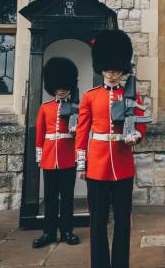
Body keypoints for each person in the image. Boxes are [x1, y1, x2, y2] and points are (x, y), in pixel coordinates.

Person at [75, 29, 147, 268]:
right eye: (108, 70)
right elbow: (83, 132)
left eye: (116, 70)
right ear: (101, 69)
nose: (112, 74)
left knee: (123, 222)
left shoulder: (131, 94)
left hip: (123, 164)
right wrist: (82, 163)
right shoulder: (90, 96)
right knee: (97, 221)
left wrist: (135, 136)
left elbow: (139, 124)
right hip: (97, 165)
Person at [33, 57, 80, 248]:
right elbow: (40, 135)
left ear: (70, 86)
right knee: (50, 199)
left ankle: (67, 231)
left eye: (64, 86)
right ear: (52, 86)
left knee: (67, 198)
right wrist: (39, 157)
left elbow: (81, 134)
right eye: (58, 86)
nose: (61, 90)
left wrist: (76, 128)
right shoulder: (45, 108)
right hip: (49, 158)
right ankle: (49, 232)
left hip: (68, 158)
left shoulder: (76, 107)